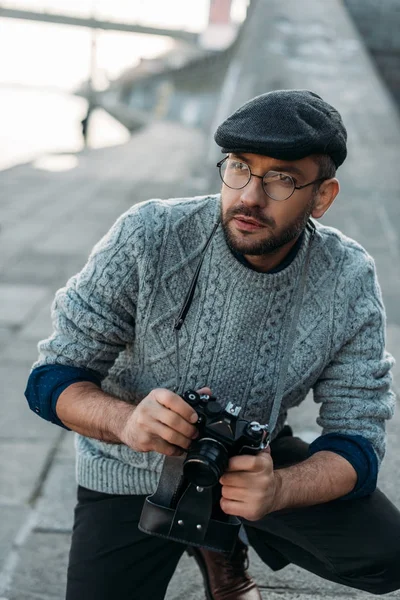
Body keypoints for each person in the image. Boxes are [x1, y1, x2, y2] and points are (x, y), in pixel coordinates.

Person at [25, 89, 400, 600]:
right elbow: (52, 377)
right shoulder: (149, 234)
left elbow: (358, 434)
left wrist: (280, 490)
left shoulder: (348, 276)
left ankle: (227, 538)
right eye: (240, 167)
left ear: (323, 196)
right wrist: (124, 420)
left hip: (250, 461)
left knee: (386, 558)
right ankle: (214, 543)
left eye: (282, 178)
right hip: (129, 471)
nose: (249, 196)